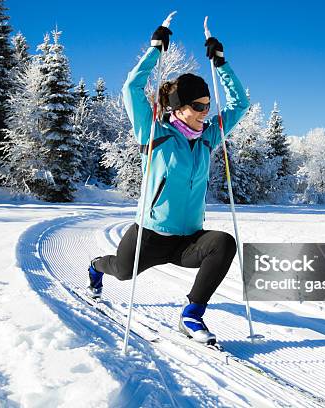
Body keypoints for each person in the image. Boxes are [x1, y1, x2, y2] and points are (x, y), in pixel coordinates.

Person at [86, 24, 249, 344]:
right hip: (150, 236)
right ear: (180, 108)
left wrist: (222, 64)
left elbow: (240, 104)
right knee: (121, 270)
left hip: (187, 239)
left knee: (224, 243)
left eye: (207, 105)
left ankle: (191, 315)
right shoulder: (155, 133)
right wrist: (154, 51)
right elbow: (131, 87)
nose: (206, 111)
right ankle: (95, 267)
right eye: (199, 106)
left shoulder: (208, 137)